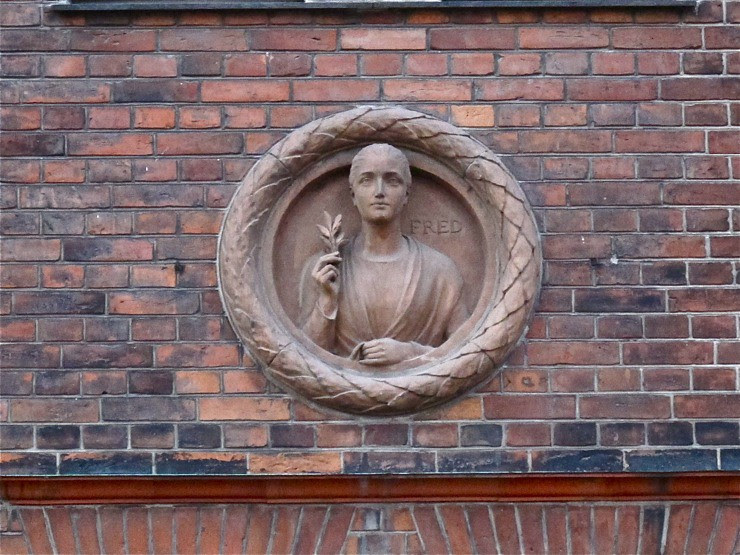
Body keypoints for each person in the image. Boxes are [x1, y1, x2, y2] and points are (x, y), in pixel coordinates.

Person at [299, 144, 469, 367]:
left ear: (406, 194)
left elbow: (465, 353)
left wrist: (409, 353)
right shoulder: (325, 270)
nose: (379, 191)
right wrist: (327, 302)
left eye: (392, 181)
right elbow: (304, 357)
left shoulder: (441, 271)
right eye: (366, 180)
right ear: (353, 194)